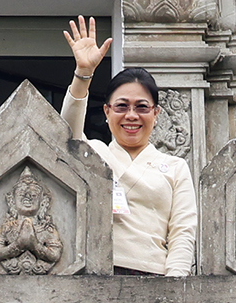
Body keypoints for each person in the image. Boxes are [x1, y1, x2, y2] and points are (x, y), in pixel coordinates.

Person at [60, 15, 197, 277]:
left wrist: (174, 286)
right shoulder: (95, 153)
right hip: (95, 275)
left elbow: (182, 232)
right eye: (122, 106)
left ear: (156, 113)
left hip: (154, 277)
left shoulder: (175, 167)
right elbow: (63, 135)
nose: (131, 115)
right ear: (107, 111)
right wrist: (83, 74)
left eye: (142, 107)